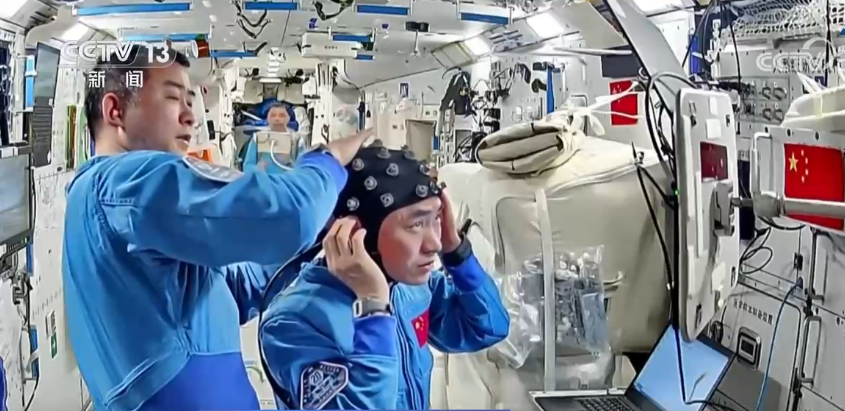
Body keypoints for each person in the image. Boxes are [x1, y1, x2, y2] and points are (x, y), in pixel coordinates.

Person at [62, 45, 372, 411]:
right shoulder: (125, 182)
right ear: (115, 111)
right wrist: (328, 160)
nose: (190, 117)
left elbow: (228, 289)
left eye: (190, 101)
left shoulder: (98, 198)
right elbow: (290, 214)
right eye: (172, 98)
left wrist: (319, 237)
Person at [260, 143, 511, 410]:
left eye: (436, 219)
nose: (434, 244)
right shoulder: (293, 323)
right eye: (416, 224)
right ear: (357, 232)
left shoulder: (410, 288)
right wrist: (372, 308)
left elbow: (488, 328)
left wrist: (456, 253)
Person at [245, 102, 301, 173]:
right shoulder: (258, 138)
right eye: (273, 115)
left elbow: (303, 167)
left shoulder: (296, 140)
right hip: (263, 178)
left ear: (288, 118)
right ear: (268, 118)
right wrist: (257, 170)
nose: (277, 119)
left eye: (281, 115)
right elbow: (248, 165)